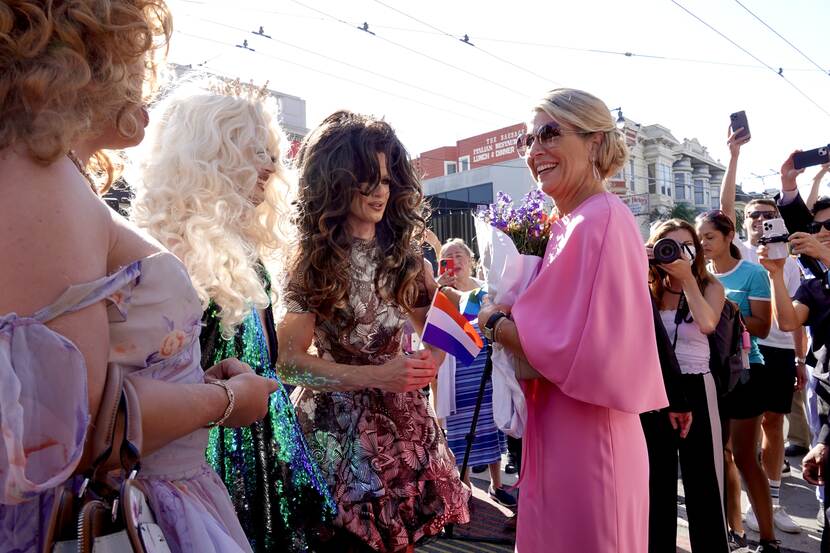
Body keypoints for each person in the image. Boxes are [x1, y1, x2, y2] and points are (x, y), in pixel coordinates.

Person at [0, 3, 279, 552]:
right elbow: (72, 436)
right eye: (135, 50)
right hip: (127, 507)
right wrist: (225, 400)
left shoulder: (56, 178)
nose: (147, 75)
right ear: (85, 58)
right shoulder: (42, 177)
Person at [130, 89, 335, 552]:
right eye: (251, 149)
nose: (269, 165)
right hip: (203, 465)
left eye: (270, 151)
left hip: (262, 456)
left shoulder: (246, 255)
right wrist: (223, 399)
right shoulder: (164, 256)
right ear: (206, 153)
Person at [476, 88, 667, 553]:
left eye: (549, 133)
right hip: (564, 433)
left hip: (589, 440)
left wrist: (496, 323)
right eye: (528, 140)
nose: (535, 150)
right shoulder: (574, 222)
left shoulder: (597, 219)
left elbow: (575, 346)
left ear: (595, 142)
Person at [277, 110, 469, 553]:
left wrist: (429, 361)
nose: (380, 191)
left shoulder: (408, 260)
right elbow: (288, 362)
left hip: (402, 433)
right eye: (368, 178)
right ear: (335, 180)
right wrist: (379, 376)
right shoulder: (312, 265)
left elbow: (443, 330)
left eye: (386, 179)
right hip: (332, 436)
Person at [719, 129, 806, 535]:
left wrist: (802, 358)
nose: (759, 220)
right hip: (744, 351)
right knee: (739, 436)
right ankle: (741, 505)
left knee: (775, 424)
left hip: (781, 349)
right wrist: (734, 155)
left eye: (767, 215)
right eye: (752, 215)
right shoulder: (742, 253)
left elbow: (801, 313)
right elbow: (723, 207)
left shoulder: (791, 253)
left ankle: (769, 503)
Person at [642, 219, 729, 552]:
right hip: (656, 390)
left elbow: (707, 323)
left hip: (697, 387)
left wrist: (687, 278)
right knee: (657, 483)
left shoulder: (709, 285)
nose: (676, 253)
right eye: (669, 245)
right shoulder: (649, 287)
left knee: (704, 482)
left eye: (685, 246)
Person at [695, 209, 779, 551]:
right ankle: (736, 532)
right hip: (712, 373)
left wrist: (724, 308)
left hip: (746, 371)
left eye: (709, 237)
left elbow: (762, 327)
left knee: (746, 458)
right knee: (722, 456)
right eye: (700, 238)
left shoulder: (752, 274)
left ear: (729, 237)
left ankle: (769, 538)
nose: (703, 244)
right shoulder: (699, 276)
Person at [756, 185, 830, 550]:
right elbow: (787, 322)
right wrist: (774, 273)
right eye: (817, 228)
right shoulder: (814, 285)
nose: (823, 233)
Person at [435, 238, 513, 507]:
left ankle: (497, 484)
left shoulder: (484, 291)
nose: (454, 261)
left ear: (470, 260)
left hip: (486, 371)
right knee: (460, 429)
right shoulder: (439, 293)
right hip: (456, 374)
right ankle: (464, 484)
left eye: (459, 255)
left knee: (490, 424)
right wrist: (439, 288)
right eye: (447, 256)